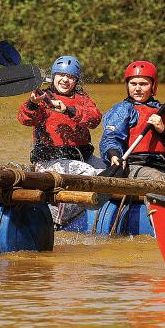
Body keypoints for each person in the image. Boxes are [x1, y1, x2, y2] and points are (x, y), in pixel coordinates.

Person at [17, 55, 104, 225]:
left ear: (76, 81)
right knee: (88, 173)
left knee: (109, 173)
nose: (65, 80)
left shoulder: (83, 98)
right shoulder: (41, 98)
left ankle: (99, 216)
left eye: (70, 77)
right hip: (49, 161)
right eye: (61, 75)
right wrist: (33, 104)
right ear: (53, 76)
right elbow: (25, 119)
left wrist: (69, 110)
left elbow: (94, 119)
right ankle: (57, 220)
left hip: (81, 159)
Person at [100, 61, 165, 181]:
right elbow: (110, 138)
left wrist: (164, 131)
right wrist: (113, 155)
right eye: (133, 84)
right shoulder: (123, 109)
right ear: (127, 85)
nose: (137, 88)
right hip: (132, 167)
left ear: (153, 86)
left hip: (163, 168)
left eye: (143, 84)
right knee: (156, 177)